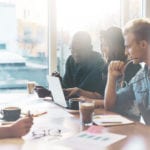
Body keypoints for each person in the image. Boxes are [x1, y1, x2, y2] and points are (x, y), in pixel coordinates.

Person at [104, 18, 150, 125]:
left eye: (128, 47)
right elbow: (111, 106)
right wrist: (111, 77)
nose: (125, 52)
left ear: (143, 44)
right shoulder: (139, 78)